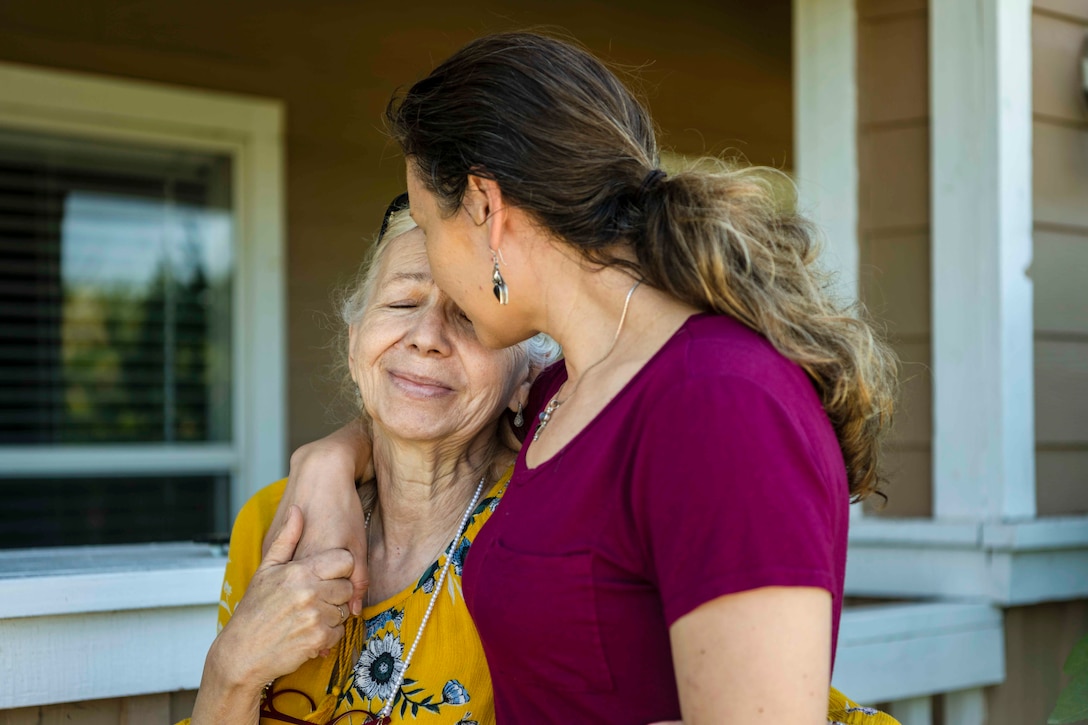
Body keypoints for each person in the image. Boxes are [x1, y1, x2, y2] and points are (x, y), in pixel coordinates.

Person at [275, 32, 900, 723]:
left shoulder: (721, 402)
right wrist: (328, 463)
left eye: (428, 221)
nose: (433, 268)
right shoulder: (560, 392)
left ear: (486, 206)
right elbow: (428, 417)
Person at [180, 205, 557, 724]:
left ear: (525, 377)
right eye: (403, 301)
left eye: (469, 314)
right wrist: (232, 669)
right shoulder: (272, 518)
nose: (427, 336)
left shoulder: (545, 532)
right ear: (356, 343)